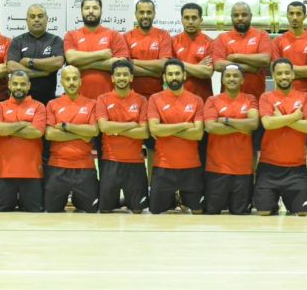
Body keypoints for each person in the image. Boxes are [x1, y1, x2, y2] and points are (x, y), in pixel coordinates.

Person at [272, 1, 307, 190]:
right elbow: (276, 71)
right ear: (286, 16)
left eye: (298, 14)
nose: (294, 17)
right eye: (291, 13)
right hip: (282, 103)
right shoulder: (278, 41)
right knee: (283, 149)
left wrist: (289, 69)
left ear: (305, 16)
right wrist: (304, 68)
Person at [255, 59, 307, 216]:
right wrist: (295, 117)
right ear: (274, 76)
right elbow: (268, 123)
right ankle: (274, 200)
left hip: (297, 168)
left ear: (293, 74)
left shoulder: (306, 97)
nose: (284, 76)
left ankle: (287, 198)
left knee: (302, 213)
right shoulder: (266, 97)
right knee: (264, 212)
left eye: (287, 73)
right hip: (269, 167)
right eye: (279, 73)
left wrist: (280, 119)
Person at [147, 59, 205, 214]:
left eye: (177, 73)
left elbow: (198, 134)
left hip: (191, 167)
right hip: (163, 167)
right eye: (170, 74)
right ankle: (174, 200)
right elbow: (154, 129)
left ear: (184, 75)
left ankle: (180, 199)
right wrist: (185, 125)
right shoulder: (155, 99)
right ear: (164, 77)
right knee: (155, 212)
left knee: (198, 211)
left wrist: (166, 130)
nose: (174, 77)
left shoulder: (197, 100)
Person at [202, 64, 259, 215]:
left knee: (240, 214)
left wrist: (226, 120)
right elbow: (210, 127)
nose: (231, 79)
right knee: (212, 214)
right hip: (216, 169)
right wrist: (242, 127)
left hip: (242, 170)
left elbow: (253, 123)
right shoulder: (212, 100)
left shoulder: (250, 99)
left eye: (235, 76)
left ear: (242, 80)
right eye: (227, 76)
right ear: (222, 80)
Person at [95, 60, 149, 213]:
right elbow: (104, 127)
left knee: (138, 210)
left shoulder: (141, 100)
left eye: (125, 74)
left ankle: (128, 200)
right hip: (110, 161)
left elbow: (144, 132)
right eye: (118, 75)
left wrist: (115, 129)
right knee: (105, 210)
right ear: (112, 78)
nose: (121, 78)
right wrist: (132, 124)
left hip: (135, 162)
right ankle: (119, 200)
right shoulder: (103, 99)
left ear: (131, 77)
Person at [125, 0, 172, 172]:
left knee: (153, 148)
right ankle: (135, 184)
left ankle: (152, 185)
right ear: (136, 14)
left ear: (154, 14)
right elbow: (126, 68)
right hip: (131, 100)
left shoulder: (163, 36)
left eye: (148, 12)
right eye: (141, 12)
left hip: (156, 100)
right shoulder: (126, 37)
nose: (145, 16)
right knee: (131, 146)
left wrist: (135, 63)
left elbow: (164, 66)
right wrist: (153, 69)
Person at [44, 66, 99, 213]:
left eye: (75, 79)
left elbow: (93, 131)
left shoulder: (92, 104)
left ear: (80, 81)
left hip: (84, 166)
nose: (71, 82)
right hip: (58, 165)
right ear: (62, 82)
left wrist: (65, 126)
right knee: (51, 209)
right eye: (67, 79)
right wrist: (82, 134)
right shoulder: (52, 104)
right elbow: (50, 134)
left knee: (92, 209)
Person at [0, 71, 47, 212]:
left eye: (22, 84)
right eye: (15, 84)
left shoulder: (39, 106)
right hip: (4, 173)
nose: (19, 87)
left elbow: (36, 132)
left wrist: (8, 129)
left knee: (35, 212)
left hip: (32, 173)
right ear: (9, 85)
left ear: (29, 86)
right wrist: (24, 124)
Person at [64, 0, 129, 101]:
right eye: (87, 8)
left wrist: (84, 64)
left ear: (101, 11)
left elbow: (121, 64)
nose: (91, 11)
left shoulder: (114, 34)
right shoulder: (71, 35)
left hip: (109, 99)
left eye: (95, 8)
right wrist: (101, 54)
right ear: (81, 11)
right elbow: (71, 58)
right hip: (79, 99)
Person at [7, 4, 65, 105]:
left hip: (48, 101)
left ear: (47, 19)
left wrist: (29, 62)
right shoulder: (17, 41)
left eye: (40, 16)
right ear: (27, 20)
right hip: (21, 102)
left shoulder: (55, 40)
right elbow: (12, 67)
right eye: (32, 17)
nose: (36, 19)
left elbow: (58, 62)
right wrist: (43, 73)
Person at [212, 2, 272, 99]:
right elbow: (218, 65)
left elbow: (265, 59)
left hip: (256, 97)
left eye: (244, 15)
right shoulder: (222, 38)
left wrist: (235, 57)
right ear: (231, 17)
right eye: (236, 15)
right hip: (228, 100)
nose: (240, 18)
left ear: (251, 16)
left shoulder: (262, 35)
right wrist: (249, 68)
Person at [171, 3, 214, 102]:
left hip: (202, 99)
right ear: (181, 20)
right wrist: (198, 67)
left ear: (201, 20)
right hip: (176, 99)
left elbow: (207, 72)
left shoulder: (210, 43)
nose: (190, 22)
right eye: (186, 18)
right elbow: (169, 72)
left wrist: (178, 64)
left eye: (194, 18)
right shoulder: (172, 41)